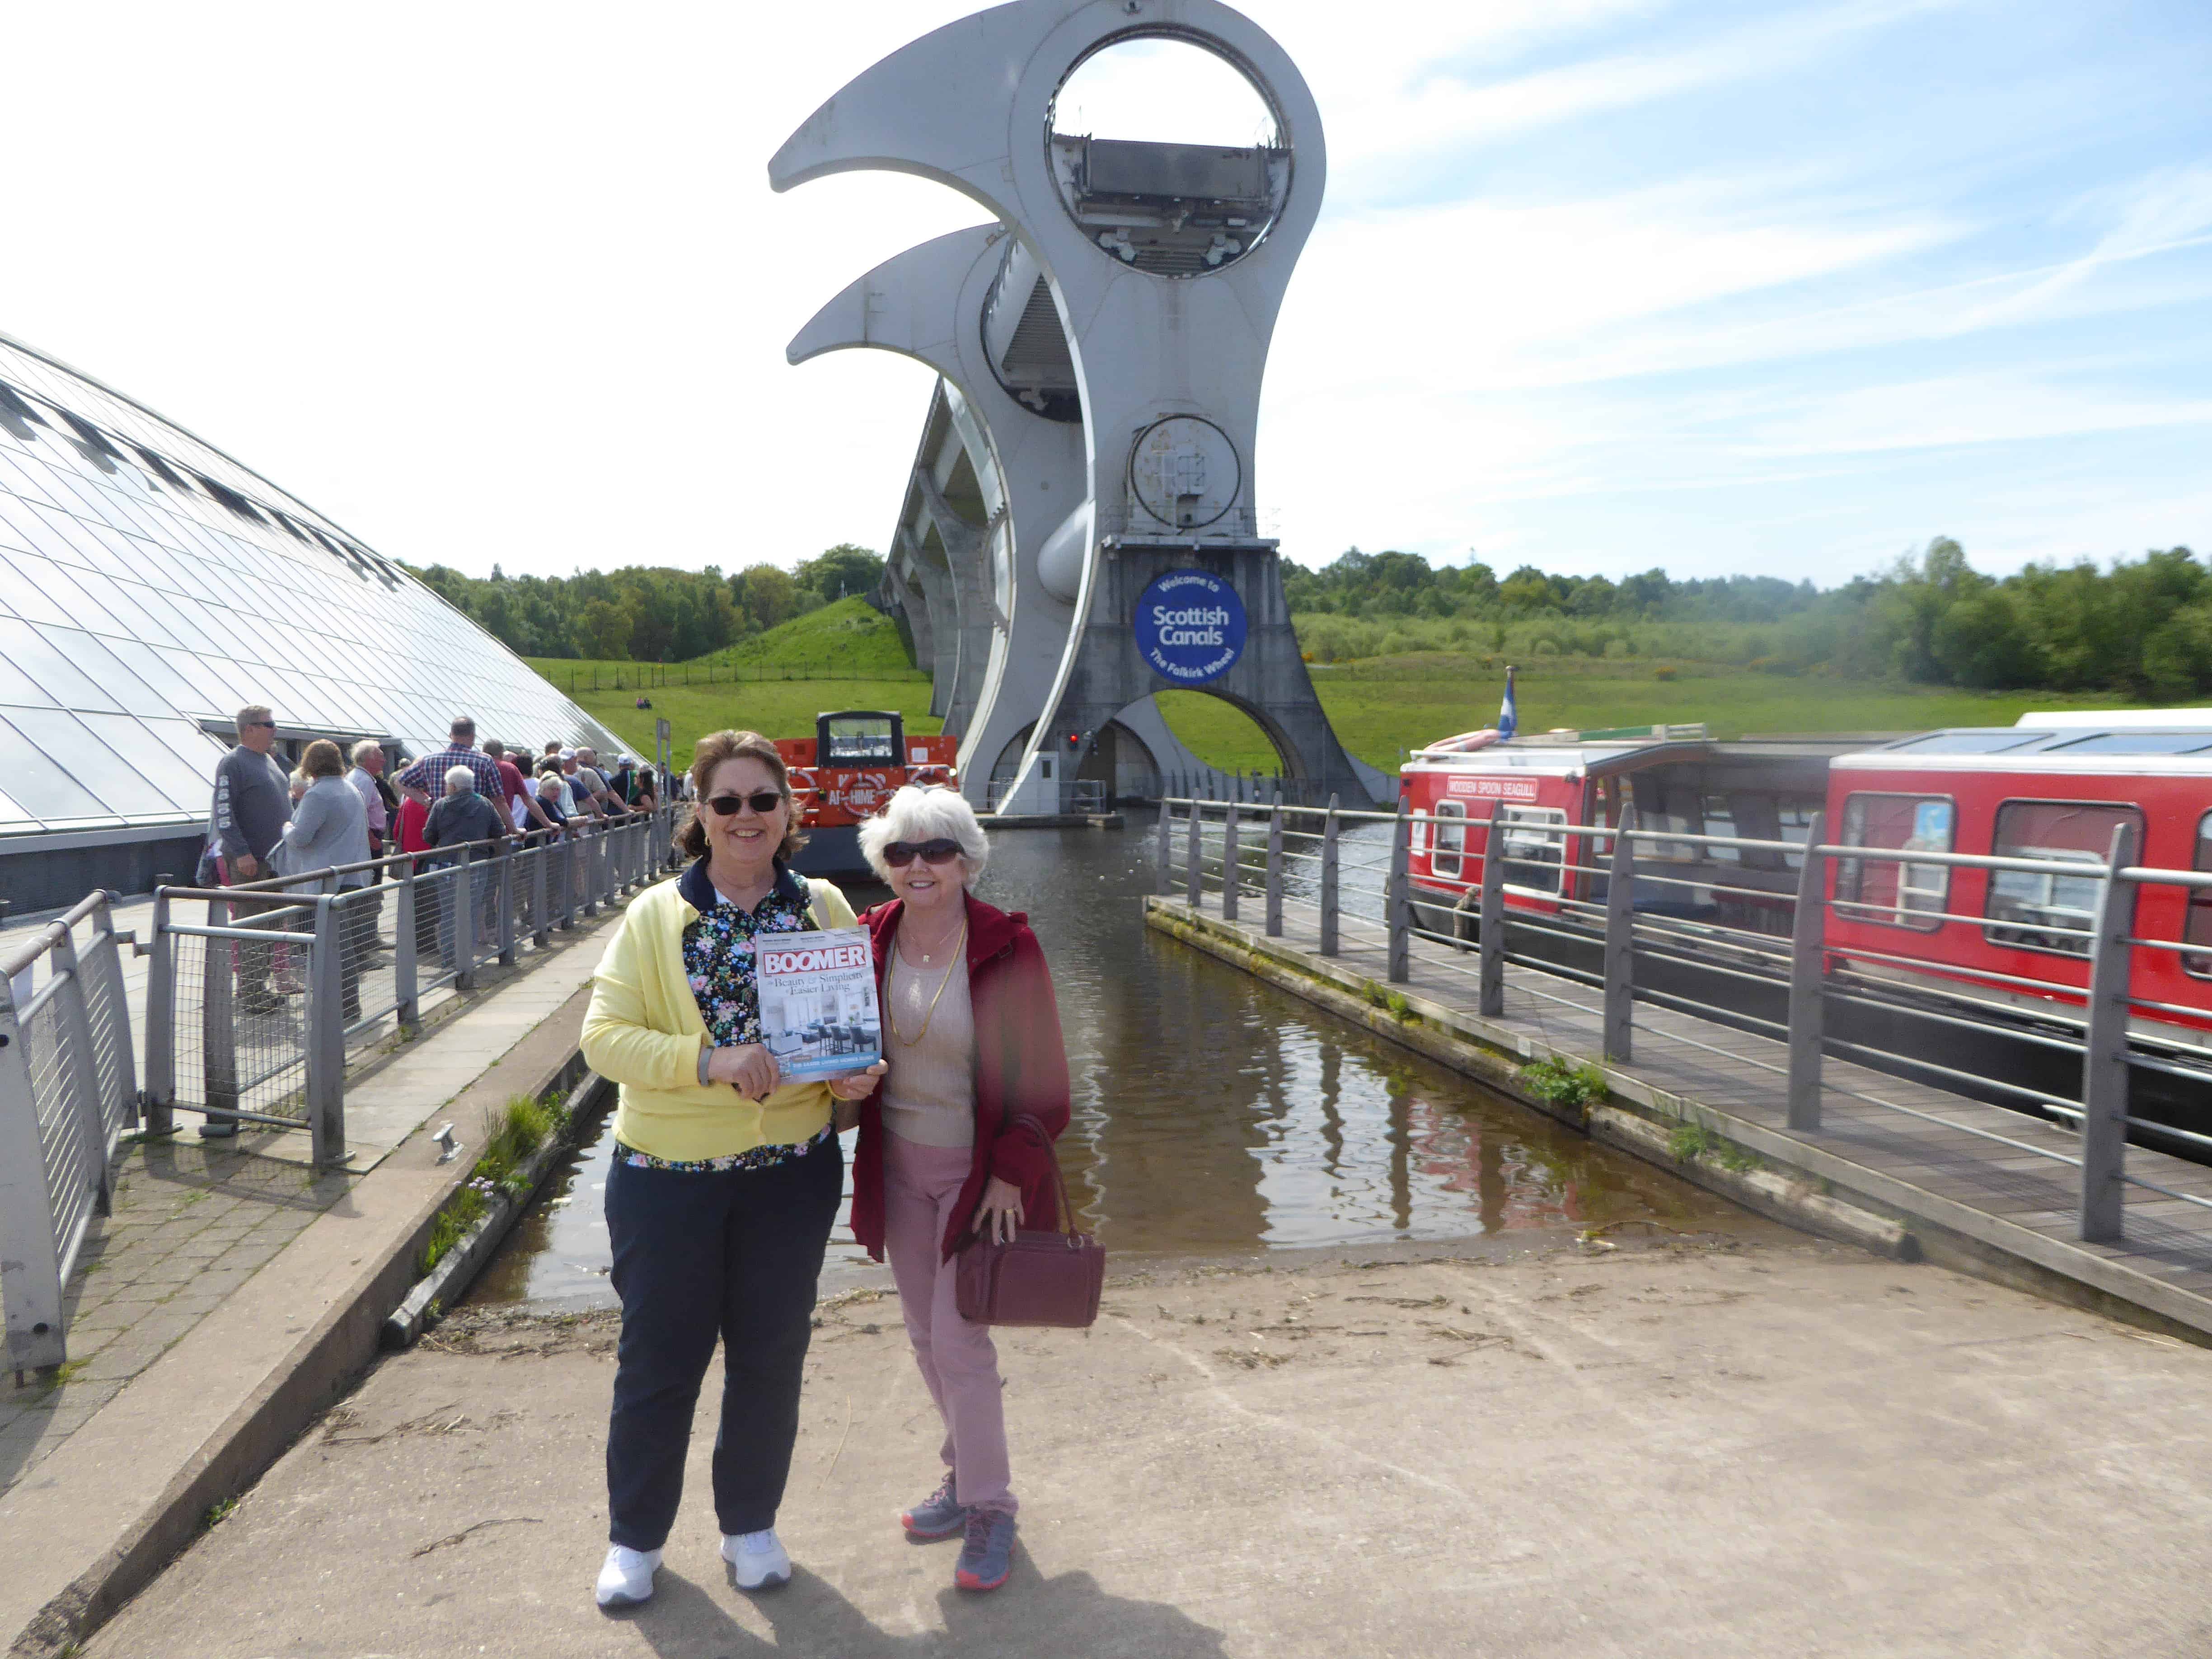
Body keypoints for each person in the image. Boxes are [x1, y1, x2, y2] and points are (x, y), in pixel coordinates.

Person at [579, 729, 881, 1612]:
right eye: (727, 802)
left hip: (791, 1174)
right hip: (668, 1176)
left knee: (770, 1357)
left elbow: (848, 1040)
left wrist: (857, 1074)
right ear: (700, 815)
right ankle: (635, 1540)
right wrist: (708, 1061)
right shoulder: (654, 914)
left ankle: (750, 1524)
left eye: (763, 800)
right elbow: (602, 1040)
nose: (746, 817)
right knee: (659, 1363)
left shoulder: (824, 905)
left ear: (789, 811)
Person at [849, 784, 1070, 1594]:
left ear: (966, 859)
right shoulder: (868, 939)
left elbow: (1046, 1079)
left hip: (978, 1179)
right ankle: (961, 1471)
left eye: (936, 850)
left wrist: (1013, 1171)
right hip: (896, 1168)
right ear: (883, 862)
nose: (918, 866)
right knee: (920, 1335)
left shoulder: (1007, 946)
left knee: (960, 1341)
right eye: (901, 851)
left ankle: (989, 1504)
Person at [202, 705, 294, 1046]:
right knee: (253, 924)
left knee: (270, 926)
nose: (274, 730)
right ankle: (251, 994)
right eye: (269, 725)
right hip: (251, 862)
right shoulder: (233, 762)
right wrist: (241, 852)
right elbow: (223, 812)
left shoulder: (268, 760)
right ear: (249, 729)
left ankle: (259, 988)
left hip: (274, 861)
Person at [273, 740, 371, 1023]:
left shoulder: (318, 796)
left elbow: (301, 837)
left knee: (326, 950)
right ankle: (347, 1006)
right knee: (344, 947)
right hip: (353, 877)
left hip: (327, 882)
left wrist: (286, 827)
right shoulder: (350, 789)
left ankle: (334, 1009)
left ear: (310, 765)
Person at [423, 766, 509, 969]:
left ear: (453, 786)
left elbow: (429, 836)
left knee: (448, 912)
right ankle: (466, 958)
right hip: (476, 865)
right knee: (471, 910)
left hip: (447, 865)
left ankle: (448, 959)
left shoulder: (441, 805)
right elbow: (499, 830)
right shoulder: (485, 804)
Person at [395, 715, 503, 801]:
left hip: (441, 824)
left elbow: (401, 782)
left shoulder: (429, 761)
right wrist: (511, 827)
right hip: (475, 824)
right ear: (473, 736)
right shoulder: (484, 761)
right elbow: (499, 799)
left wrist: (427, 801)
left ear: (451, 735)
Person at [485, 739, 559, 836]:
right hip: (502, 829)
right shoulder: (509, 768)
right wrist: (548, 823)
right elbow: (528, 800)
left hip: (477, 826)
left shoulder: (478, 765)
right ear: (501, 754)